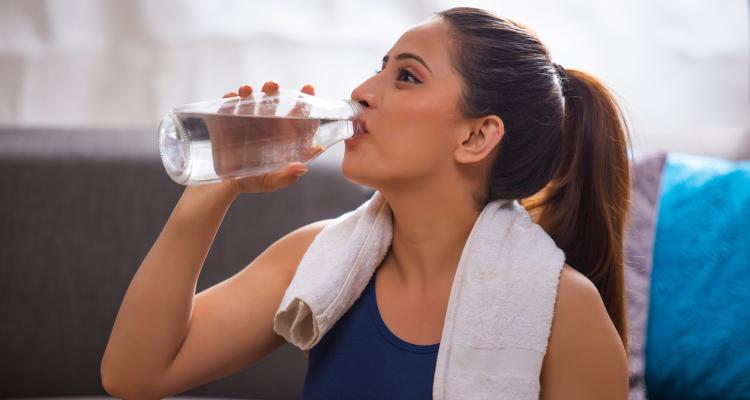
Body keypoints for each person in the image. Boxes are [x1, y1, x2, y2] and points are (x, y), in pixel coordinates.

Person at [101, 6, 631, 399]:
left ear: (475, 138)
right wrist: (212, 190)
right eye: (381, 68)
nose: (362, 90)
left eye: (406, 76)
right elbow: (135, 374)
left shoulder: (563, 309)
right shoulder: (319, 259)